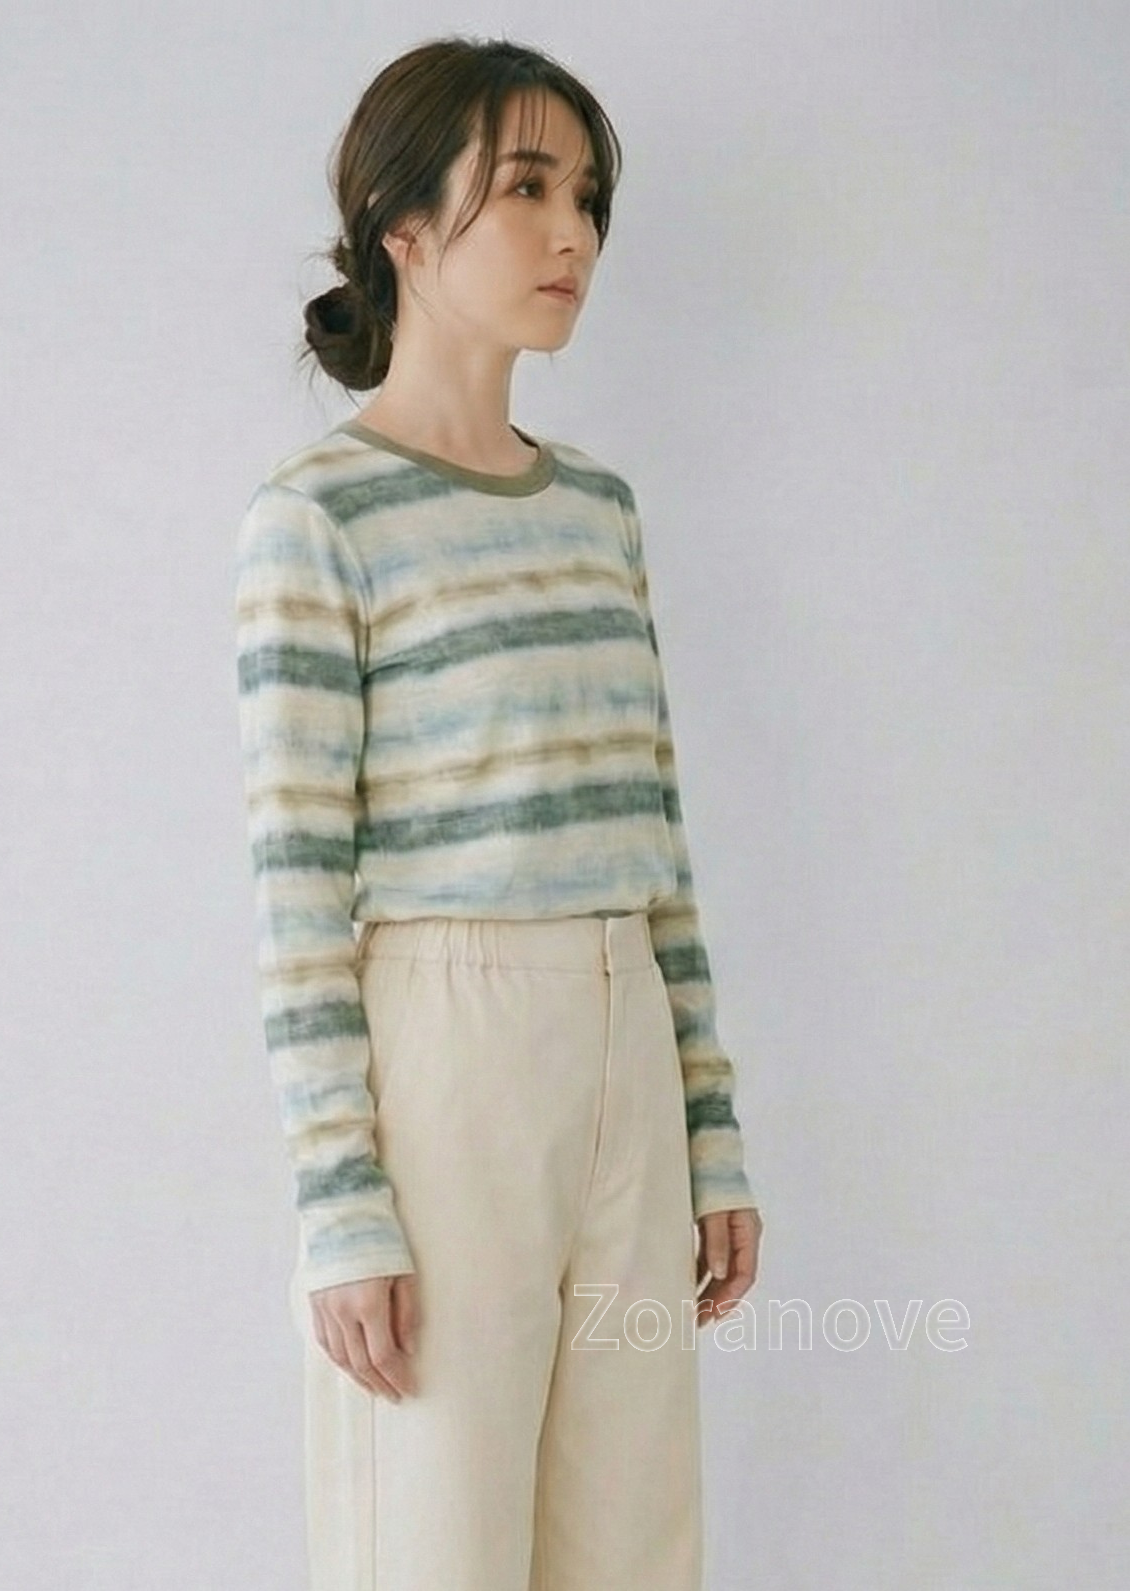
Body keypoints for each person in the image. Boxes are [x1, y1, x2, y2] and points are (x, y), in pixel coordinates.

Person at [233, 34, 764, 1591]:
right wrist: (345, 1207)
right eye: (526, 187)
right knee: (434, 1546)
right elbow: (296, 887)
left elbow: (654, 848)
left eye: (585, 197)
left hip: (625, 1045)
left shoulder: (597, 512)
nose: (571, 233)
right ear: (403, 226)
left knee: (633, 1549)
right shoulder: (318, 518)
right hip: (447, 1053)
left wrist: (709, 1137)